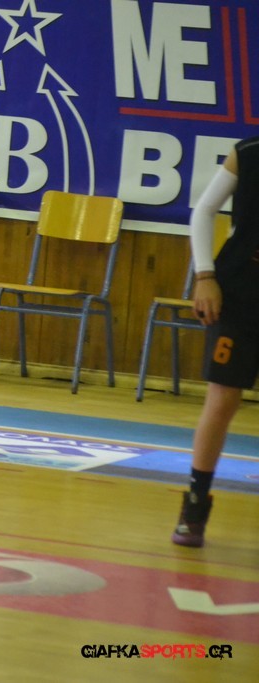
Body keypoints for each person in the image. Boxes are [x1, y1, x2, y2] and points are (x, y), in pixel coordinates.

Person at [171, 139, 259, 548]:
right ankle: (195, 504)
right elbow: (205, 210)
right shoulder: (250, 152)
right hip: (241, 290)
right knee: (222, 398)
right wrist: (205, 275)